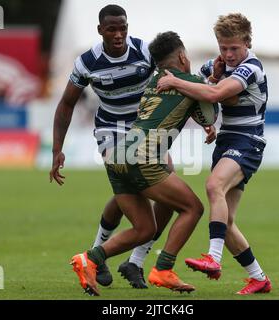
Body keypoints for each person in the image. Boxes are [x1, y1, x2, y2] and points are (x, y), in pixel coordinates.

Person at [69, 30, 208, 296]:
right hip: (142, 159)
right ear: (182, 56)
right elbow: (212, 101)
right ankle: (163, 268)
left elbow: (191, 110)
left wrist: (204, 121)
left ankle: (89, 259)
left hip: (118, 155)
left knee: (144, 229)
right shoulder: (188, 82)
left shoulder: (153, 81)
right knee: (193, 208)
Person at [49, 5, 173, 289]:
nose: (119, 35)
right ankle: (101, 256)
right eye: (112, 29)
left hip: (145, 128)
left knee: (157, 191)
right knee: (139, 185)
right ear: (100, 30)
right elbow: (66, 104)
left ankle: (134, 261)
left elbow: (173, 78)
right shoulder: (87, 62)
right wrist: (58, 149)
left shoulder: (145, 52)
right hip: (111, 131)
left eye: (123, 28)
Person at [156, 13, 272, 295]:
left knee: (213, 185)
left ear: (247, 42)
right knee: (227, 222)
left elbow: (214, 94)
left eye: (234, 48)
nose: (229, 54)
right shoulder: (216, 65)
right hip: (226, 142)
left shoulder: (251, 68)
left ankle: (213, 258)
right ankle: (258, 278)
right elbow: (204, 91)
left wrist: (180, 83)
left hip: (248, 141)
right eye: (223, 47)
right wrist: (208, 106)